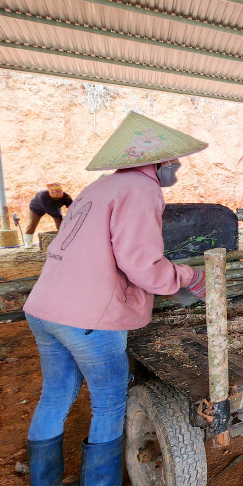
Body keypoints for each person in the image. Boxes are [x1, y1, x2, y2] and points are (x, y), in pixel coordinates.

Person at [22, 112, 209, 486]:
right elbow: (140, 263)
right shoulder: (142, 190)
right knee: (109, 401)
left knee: (56, 395)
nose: (177, 170)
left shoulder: (98, 187)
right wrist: (189, 277)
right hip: (87, 317)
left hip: (43, 307)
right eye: (175, 163)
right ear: (158, 163)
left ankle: (43, 480)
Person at [24, 183, 73, 248]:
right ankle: (28, 244)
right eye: (55, 198)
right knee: (32, 224)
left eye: (58, 198)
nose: (57, 198)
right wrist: (61, 217)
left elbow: (73, 206)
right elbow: (49, 209)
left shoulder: (66, 196)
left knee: (60, 223)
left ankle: (63, 239)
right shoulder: (43, 196)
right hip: (36, 208)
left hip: (55, 207)